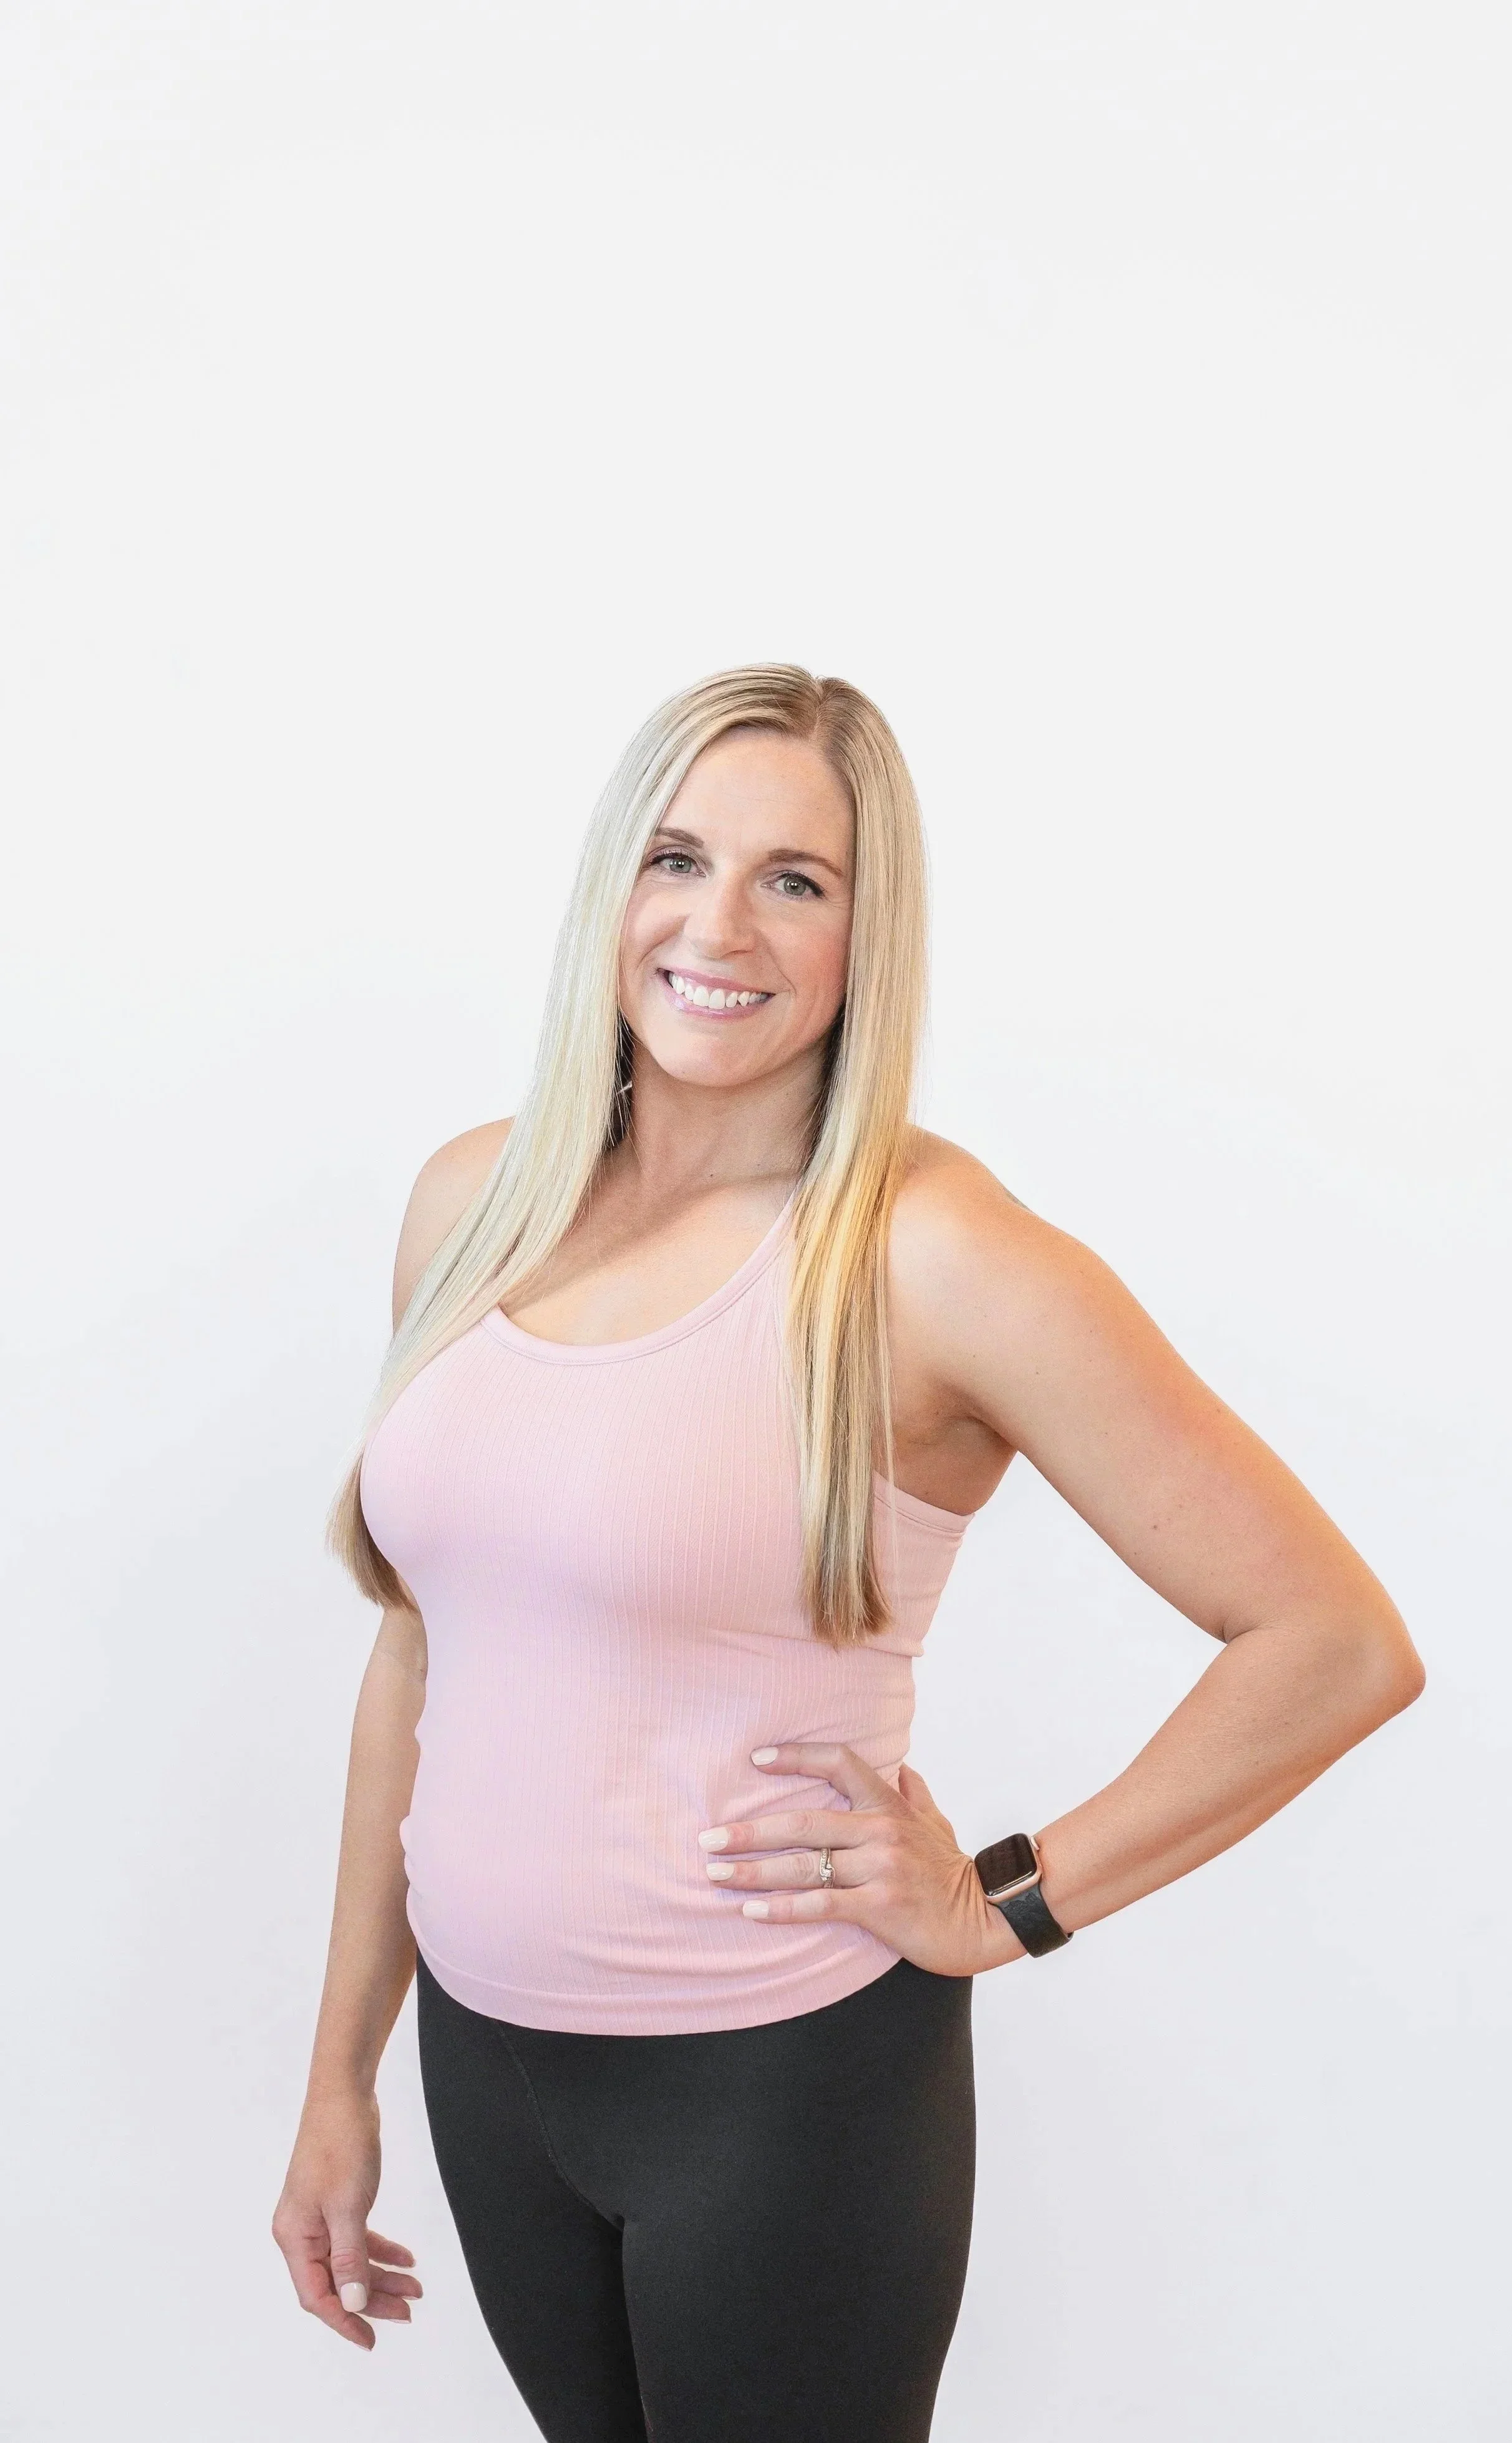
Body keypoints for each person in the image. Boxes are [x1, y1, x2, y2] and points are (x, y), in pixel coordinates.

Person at [271, 664, 1425, 2442]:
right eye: (676, 856)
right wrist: (337, 2071)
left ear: (865, 936)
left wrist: (1006, 1898)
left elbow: (1329, 1638)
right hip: (488, 2070)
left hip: (780, 2089)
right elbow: (422, 1654)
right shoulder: (473, 1202)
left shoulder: (932, 1256)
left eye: (793, 880)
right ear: (612, 886)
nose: (715, 923)